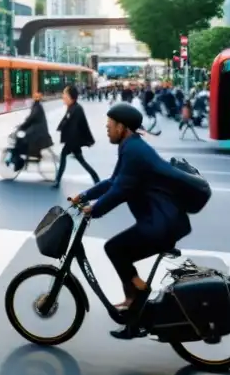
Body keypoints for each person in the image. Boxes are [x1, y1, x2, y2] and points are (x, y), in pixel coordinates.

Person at [71, 102, 192, 339]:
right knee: (119, 250)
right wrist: (84, 196)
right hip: (161, 220)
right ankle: (133, 307)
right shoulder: (131, 146)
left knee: (115, 248)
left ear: (122, 127)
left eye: (110, 126)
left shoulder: (134, 151)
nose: (106, 129)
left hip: (161, 224)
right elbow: (113, 182)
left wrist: (93, 210)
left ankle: (138, 293)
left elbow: (120, 191)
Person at [52, 85, 99, 188]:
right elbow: (67, 122)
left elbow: (76, 128)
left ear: (70, 96)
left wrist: (71, 143)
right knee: (75, 159)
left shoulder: (76, 109)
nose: (63, 96)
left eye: (65, 94)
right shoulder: (73, 107)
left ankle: (58, 181)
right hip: (72, 141)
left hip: (73, 142)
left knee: (75, 159)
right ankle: (95, 178)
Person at [10, 91, 54, 171]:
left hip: (38, 133)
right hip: (38, 131)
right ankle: (23, 158)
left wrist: (22, 126)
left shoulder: (37, 106)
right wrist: (23, 125)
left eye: (37, 95)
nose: (35, 96)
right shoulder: (37, 106)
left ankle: (19, 161)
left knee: (21, 139)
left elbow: (31, 118)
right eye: (34, 95)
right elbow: (31, 118)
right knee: (23, 137)